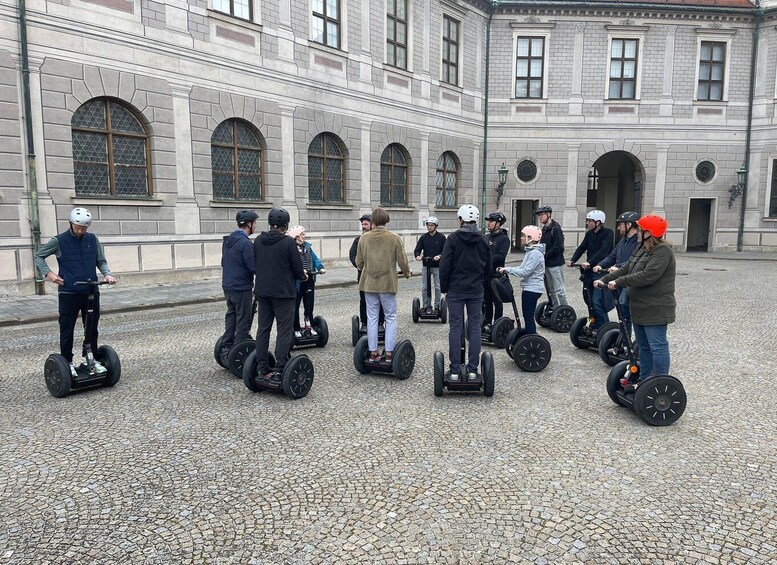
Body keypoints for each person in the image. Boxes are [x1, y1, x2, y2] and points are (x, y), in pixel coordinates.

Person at [594, 214, 676, 388]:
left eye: (640, 229)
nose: (637, 232)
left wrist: (619, 282)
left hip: (655, 308)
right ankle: (645, 381)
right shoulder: (641, 248)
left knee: (657, 346)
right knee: (644, 347)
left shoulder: (662, 251)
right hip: (639, 307)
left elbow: (648, 275)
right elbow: (626, 268)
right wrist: (606, 279)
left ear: (650, 232)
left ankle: (661, 383)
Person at [34, 208, 117, 377]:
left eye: (84, 228)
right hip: (69, 293)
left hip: (91, 291)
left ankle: (91, 358)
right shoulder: (59, 241)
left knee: (91, 328)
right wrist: (49, 274)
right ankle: (67, 362)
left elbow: (101, 261)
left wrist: (107, 274)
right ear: (71, 223)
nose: (81, 231)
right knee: (67, 329)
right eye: (78, 227)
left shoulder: (93, 239)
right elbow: (39, 256)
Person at [253, 208, 306, 383]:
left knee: (263, 329)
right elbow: (298, 269)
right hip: (283, 294)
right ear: (286, 225)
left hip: (263, 292)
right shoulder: (288, 243)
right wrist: (303, 276)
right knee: (284, 330)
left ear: (269, 224)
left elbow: (255, 263)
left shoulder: (259, 240)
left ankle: (261, 367)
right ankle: (281, 368)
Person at [439, 205, 491, 381]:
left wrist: (444, 288)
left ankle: (454, 371)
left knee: (456, 328)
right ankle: (472, 370)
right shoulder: (484, 240)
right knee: (475, 328)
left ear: (461, 219)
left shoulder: (453, 238)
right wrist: (482, 285)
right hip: (476, 290)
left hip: (455, 289)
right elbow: (488, 267)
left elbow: (444, 265)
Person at [355, 207, 411, 361]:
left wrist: (364, 268)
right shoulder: (394, 238)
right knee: (390, 317)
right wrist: (407, 273)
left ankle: (373, 352)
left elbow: (359, 262)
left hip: (369, 283)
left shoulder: (364, 238)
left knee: (372, 318)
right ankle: (389, 352)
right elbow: (402, 261)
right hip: (387, 283)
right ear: (386, 220)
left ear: (373, 221)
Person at [593, 211, 640, 338]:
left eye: (621, 224)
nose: (618, 227)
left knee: (626, 313)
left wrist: (617, 267)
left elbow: (634, 262)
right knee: (622, 314)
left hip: (628, 281)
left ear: (629, 225)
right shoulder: (623, 241)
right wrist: (600, 265)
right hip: (618, 281)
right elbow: (612, 256)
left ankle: (627, 343)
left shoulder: (638, 242)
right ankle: (623, 340)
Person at [219, 209, 258, 358]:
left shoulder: (228, 240)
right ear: (248, 224)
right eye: (254, 223)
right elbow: (253, 266)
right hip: (241, 287)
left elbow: (224, 262)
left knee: (231, 314)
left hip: (228, 286)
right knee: (244, 318)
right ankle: (239, 350)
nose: (255, 226)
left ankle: (227, 344)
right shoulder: (245, 243)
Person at [566, 209, 614, 330]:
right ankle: (592, 323)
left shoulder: (608, 233)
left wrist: (590, 262)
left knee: (597, 302)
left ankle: (606, 327)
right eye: (587, 220)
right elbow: (582, 247)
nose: (588, 223)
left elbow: (603, 251)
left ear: (598, 222)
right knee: (589, 301)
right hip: (588, 273)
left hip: (600, 272)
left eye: (590, 221)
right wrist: (573, 260)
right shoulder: (589, 234)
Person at [497, 225, 545, 335]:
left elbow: (525, 272)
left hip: (533, 289)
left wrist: (507, 270)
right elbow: (521, 268)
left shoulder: (535, 253)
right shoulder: (531, 252)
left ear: (531, 237)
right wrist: (506, 269)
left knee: (528, 317)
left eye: (524, 236)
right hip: (530, 288)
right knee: (527, 316)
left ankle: (531, 338)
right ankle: (529, 336)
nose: (521, 238)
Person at [287, 225, 326, 338]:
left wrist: (320, 268)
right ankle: (296, 328)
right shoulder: (292, 249)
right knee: (295, 305)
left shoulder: (308, 247)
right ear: (296, 236)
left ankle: (309, 324)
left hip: (309, 279)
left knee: (309, 304)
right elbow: (291, 263)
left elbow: (315, 259)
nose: (305, 236)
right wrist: (299, 271)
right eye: (303, 234)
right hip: (298, 282)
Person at [349, 213, 383, 330]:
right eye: (362, 224)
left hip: (378, 275)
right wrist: (358, 265)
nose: (363, 226)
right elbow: (352, 254)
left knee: (380, 299)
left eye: (366, 224)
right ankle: (364, 324)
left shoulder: (378, 239)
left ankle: (380, 324)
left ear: (372, 225)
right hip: (363, 275)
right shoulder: (358, 240)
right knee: (363, 300)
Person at [534, 205, 568, 309]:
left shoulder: (555, 228)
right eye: (539, 215)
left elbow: (557, 247)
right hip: (547, 263)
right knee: (551, 289)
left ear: (548, 214)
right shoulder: (543, 229)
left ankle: (564, 309)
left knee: (559, 289)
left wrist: (543, 255)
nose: (540, 217)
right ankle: (555, 308)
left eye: (541, 215)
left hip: (555, 263)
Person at [482, 211, 509, 333]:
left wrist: (487, 253)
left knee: (497, 302)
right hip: (485, 275)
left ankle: (497, 325)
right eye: (488, 221)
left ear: (498, 223)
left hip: (496, 276)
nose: (489, 223)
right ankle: (487, 323)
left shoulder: (504, 239)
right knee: (486, 301)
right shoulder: (486, 237)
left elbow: (500, 256)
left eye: (491, 221)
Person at [413, 216, 446, 313]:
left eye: (431, 225)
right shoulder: (424, 238)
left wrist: (439, 256)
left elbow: (445, 251)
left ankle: (437, 306)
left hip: (436, 266)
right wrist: (417, 256)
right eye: (428, 225)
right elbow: (417, 249)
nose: (429, 227)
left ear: (436, 226)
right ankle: (426, 306)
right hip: (426, 265)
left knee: (437, 287)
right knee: (425, 287)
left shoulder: (441, 238)